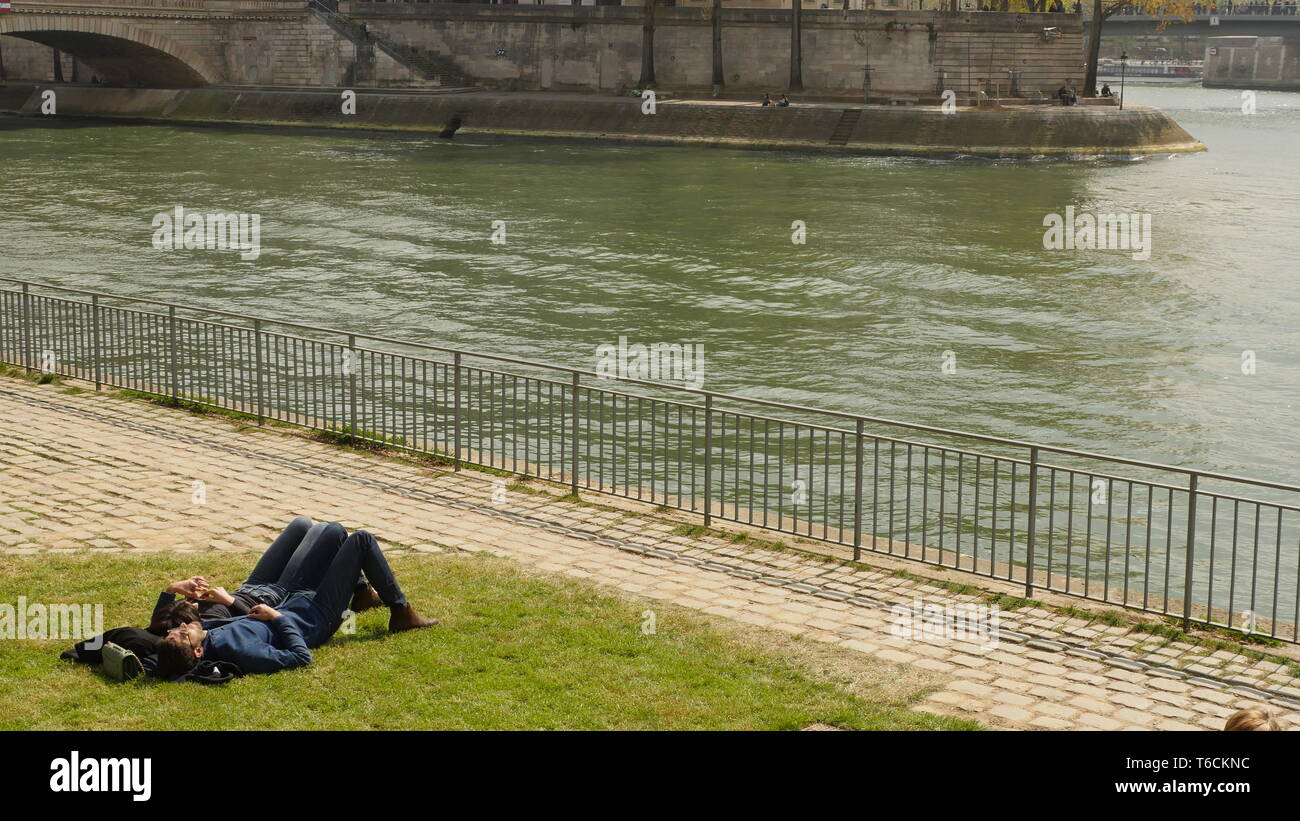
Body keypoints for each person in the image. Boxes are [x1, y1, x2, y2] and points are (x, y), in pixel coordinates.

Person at [157, 525, 437, 677]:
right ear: (197, 653)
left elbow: (155, 630)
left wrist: (173, 590)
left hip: (292, 601)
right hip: (316, 617)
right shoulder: (239, 650)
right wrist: (277, 618)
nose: (181, 627)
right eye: (182, 634)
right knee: (361, 540)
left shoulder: (208, 636)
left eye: (176, 630)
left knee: (335, 532)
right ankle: (401, 611)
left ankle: (362, 596)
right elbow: (301, 658)